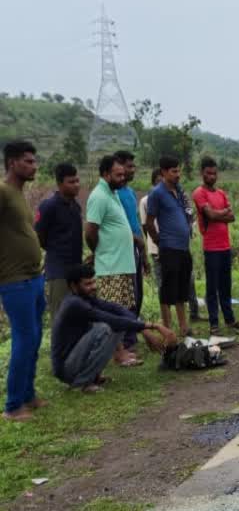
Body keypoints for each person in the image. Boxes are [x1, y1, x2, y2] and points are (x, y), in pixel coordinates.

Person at [50, 264, 175, 392]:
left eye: (93, 282)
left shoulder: (87, 298)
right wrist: (153, 326)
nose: (93, 287)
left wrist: (145, 330)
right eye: (87, 284)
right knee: (104, 328)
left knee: (116, 325)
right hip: (66, 368)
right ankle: (82, 383)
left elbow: (117, 309)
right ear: (73, 286)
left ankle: (93, 377)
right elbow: (110, 319)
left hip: (75, 359)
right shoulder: (74, 303)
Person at [1, 141, 48, 422]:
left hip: (33, 277)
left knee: (34, 337)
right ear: (12, 163)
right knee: (24, 338)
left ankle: (28, 394)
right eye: (28, 161)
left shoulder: (18, 194)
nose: (34, 166)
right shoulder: (3, 192)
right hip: (14, 280)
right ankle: (13, 405)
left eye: (34, 161)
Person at [85, 155, 141, 366]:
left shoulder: (113, 193)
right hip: (110, 267)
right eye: (118, 175)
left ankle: (121, 350)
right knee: (111, 312)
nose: (122, 178)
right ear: (106, 174)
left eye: (123, 174)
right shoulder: (99, 196)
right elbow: (90, 232)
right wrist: (101, 252)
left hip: (122, 265)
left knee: (120, 310)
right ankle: (118, 354)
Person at [193, 157, 239, 336]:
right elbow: (210, 215)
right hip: (211, 248)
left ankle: (230, 319)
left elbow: (232, 217)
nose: (212, 176)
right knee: (212, 288)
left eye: (214, 173)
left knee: (226, 286)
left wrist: (220, 214)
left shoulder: (221, 193)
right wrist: (222, 213)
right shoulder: (199, 193)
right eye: (208, 173)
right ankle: (213, 323)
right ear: (202, 173)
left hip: (225, 246)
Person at [145, 156, 195, 336]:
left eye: (178, 170)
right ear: (164, 172)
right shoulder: (157, 193)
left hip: (183, 248)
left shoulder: (179, 191)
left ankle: (183, 326)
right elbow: (149, 222)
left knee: (182, 288)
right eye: (174, 171)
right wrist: (159, 241)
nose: (178, 174)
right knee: (167, 289)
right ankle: (167, 328)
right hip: (169, 248)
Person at [35, 163, 84, 319]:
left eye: (77, 181)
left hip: (76, 271)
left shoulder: (76, 207)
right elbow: (39, 236)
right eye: (71, 182)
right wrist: (54, 249)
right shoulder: (48, 206)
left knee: (76, 318)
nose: (76, 185)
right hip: (58, 273)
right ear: (59, 183)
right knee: (60, 318)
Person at [112, 151, 153, 324]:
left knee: (137, 294)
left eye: (133, 166)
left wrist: (143, 253)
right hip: (123, 251)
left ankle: (132, 330)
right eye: (129, 166)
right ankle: (126, 335)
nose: (133, 170)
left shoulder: (129, 192)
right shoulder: (115, 194)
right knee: (127, 295)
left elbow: (135, 222)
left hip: (135, 249)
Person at [140, 168, 164, 288]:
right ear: (153, 183)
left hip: (171, 245)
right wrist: (152, 240)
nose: (161, 184)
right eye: (158, 182)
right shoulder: (145, 201)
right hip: (155, 247)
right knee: (161, 281)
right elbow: (145, 225)